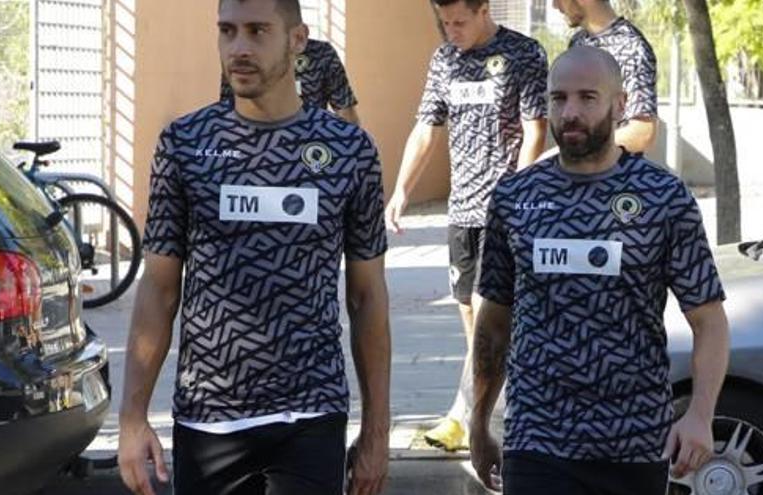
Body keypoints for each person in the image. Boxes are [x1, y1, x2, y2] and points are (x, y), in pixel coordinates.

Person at [117, 1, 391, 494]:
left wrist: (376, 431)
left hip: (312, 413)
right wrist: (132, 418)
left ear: (298, 40)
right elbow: (158, 290)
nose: (240, 48)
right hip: (210, 419)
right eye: (228, 31)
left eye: (258, 31)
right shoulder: (186, 144)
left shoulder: (349, 152)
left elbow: (367, 297)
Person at [469, 46, 730, 494]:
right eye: (559, 98)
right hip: (538, 439)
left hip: (634, 442)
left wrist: (700, 416)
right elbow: (493, 325)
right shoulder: (514, 198)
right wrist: (478, 421)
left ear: (620, 105)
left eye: (588, 98)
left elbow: (710, 322)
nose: (570, 112)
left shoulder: (662, 198)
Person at [384, 0, 549, 452]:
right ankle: (487, 407)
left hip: (503, 208)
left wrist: (521, 196)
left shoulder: (523, 53)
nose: (451, 30)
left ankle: (468, 414)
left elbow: (536, 128)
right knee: (471, 317)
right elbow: (426, 127)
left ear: (483, 10)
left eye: (459, 21)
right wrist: (401, 190)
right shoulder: (445, 59)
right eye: (445, 22)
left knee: (493, 318)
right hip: (461, 210)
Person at [549, 0, 658, 154]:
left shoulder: (631, 47)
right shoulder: (578, 41)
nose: (555, 6)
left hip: (616, 174)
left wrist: (555, 154)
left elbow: (643, 132)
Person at [220, 38, 361, 124]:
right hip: (254, 151)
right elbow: (226, 113)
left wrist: (353, 156)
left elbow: (346, 112)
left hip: (310, 152)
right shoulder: (241, 57)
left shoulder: (321, 53)